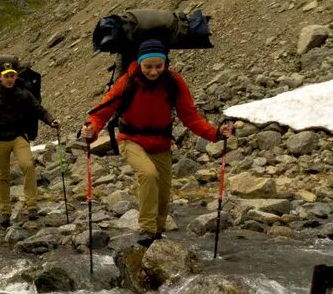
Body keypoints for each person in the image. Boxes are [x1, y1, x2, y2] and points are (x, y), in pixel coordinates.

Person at [81, 39, 233, 246]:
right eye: (148, 67)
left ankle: (157, 236)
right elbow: (102, 111)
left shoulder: (173, 82)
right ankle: (147, 229)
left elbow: (191, 117)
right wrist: (91, 130)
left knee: (163, 195)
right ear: (140, 64)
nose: (153, 72)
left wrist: (216, 134)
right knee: (148, 173)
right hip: (130, 140)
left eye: (158, 66)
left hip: (161, 144)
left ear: (166, 64)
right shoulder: (127, 82)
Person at [0, 61, 60, 228]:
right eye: (6, 76)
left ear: (16, 76)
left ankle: (32, 206)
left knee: (28, 165)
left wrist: (52, 121)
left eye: (12, 75)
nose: (9, 79)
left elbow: (39, 110)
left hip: (18, 137)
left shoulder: (24, 94)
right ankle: (5, 212)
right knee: (2, 176)